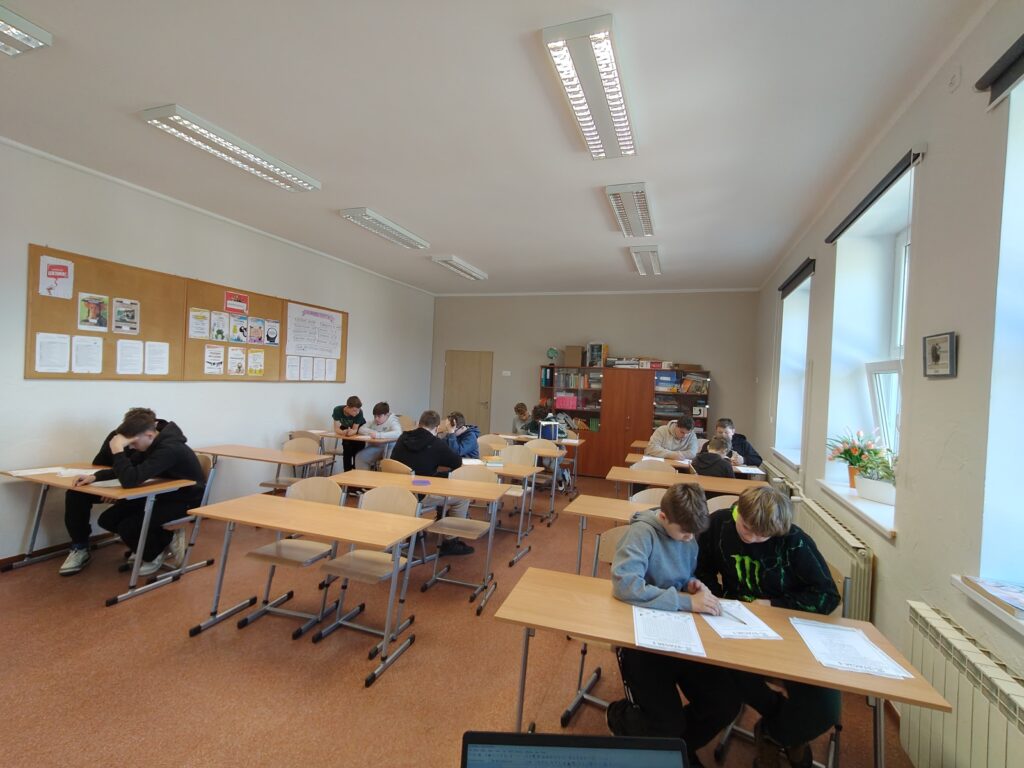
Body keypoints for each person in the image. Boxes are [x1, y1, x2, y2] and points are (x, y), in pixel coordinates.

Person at [695, 487, 840, 768]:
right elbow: (701, 569)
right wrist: (717, 599)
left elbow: (827, 595)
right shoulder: (719, 524)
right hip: (737, 626)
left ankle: (775, 733)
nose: (751, 538)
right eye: (746, 528)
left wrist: (774, 604)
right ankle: (785, 731)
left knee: (826, 707)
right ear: (738, 511)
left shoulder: (795, 541)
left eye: (762, 536)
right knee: (730, 674)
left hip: (791, 630)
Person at [606, 484, 730, 768]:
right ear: (663, 517)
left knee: (724, 704)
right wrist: (686, 601)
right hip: (641, 636)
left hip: (679, 630)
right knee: (666, 722)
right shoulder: (643, 533)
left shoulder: (688, 535)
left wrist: (690, 583)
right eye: (684, 533)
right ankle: (622, 717)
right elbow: (625, 585)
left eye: (693, 534)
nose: (689, 539)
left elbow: (680, 574)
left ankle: (676, 749)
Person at [59, 409, 206, 577]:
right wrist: (95, 477)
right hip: (161, 494)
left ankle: (153, 554)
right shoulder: (151, 444)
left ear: (149, 435)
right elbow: (128, 469)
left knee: (128, 527)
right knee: (108, 520)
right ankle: (164, 539)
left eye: (133, 443)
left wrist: (117, 450)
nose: (131, 447)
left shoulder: (169, 449)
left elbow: (130, 480)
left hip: (185, 500)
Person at [390, 410, 472, 556]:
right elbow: (456, 462)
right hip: (420, 494)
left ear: (419, 423)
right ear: (436, 428)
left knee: (433, 477)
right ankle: (450, 542)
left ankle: (415, 532)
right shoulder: (436, 443)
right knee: (462, 497)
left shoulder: (403, 437)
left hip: (398, 492)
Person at [354, 402, 402, 470]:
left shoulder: (393, 420)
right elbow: (361, 429)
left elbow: (398, 433)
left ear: (387, 415)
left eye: (379, 416)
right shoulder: (374, 421)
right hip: (376, 448)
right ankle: (364, 477)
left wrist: (379, 435)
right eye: (375, 416)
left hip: (389, 448)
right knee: (360, 458)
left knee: (388, 463)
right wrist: (373, 432)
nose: (376, 419)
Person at [332, 396, 366, 472]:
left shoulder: (359, 413)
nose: (357, 412)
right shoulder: (337, 410)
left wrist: (350, 432)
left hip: (359, 428)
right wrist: (343, 432)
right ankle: (347, 473)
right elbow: (336, 428)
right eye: (354, 410)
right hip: (346, 428)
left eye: (358, 410)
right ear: (347, 407)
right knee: (347, 451)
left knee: (358, 453)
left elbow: (355, 429)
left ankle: (356, 473)